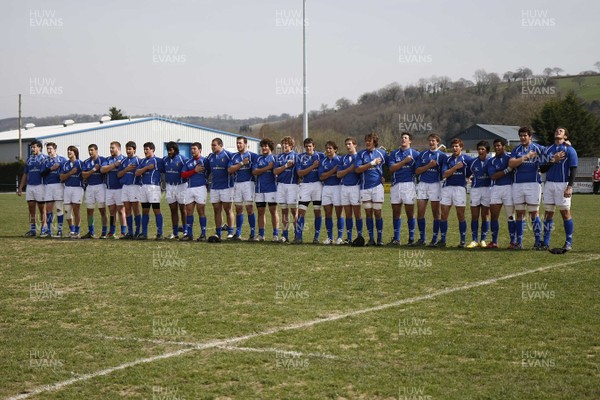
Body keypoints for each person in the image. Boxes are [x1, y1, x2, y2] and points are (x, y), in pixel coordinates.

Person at [540, 127, 578, 251]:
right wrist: (553, 160)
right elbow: (542, 169)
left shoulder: (570, 150)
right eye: (556, 130)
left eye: (561, 131)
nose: (558, 131)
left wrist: (570, 186)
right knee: (548, 213)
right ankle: (545, 242)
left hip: (563, 184)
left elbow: (573, 169)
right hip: (549, 184)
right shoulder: (548, 149)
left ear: (565, 136)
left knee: (565, 213)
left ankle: (568, 242)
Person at [509, 126, 544, 250]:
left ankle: (538, 241)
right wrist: (526, 157)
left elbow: (551, 154)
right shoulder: (516, 149)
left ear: (530, 137)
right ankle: (519, 242)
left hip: (533, 184)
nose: (523, 138)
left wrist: (566, 144)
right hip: (518, 184)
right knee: (519, 213)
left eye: (525, 135)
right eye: (521, 136)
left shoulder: (539, 148)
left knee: (534, 213)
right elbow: (511, 164)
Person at [414, 133, 447, 246]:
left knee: (436, 213)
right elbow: (417, 171)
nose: (431, 143)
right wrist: (429, 165)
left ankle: (434, 239)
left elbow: (443, 174)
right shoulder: (422, 154)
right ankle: (422, 238)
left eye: (433, 141)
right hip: (423, 184)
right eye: (430, 141)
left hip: (435, 185)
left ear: (437, 142)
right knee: (420, 212)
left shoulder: (442, 156)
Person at [439, 138, 474, 247]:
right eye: (453, 146)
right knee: (444, 214)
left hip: (460, 188)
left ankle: (462, 241)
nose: (454, 148)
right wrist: (455, 168)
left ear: (461, 147)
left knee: (460, 215)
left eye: (457, 146)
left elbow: (474, 169)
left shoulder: (467, 159)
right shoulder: (447, 160)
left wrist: (470, 176)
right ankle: (443, 240)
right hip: (447, 188)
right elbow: (444, 174)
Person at [354, 132, 387, 246]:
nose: (367, 142)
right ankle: (371, 239)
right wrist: (371, 163)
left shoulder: (382, 153)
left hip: (377, 187)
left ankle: (380, 239)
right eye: (366, 140)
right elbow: (358, 169)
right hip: (365, 187)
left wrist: (384, 177)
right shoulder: (361, 154)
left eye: (370, 140)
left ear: (375, 141)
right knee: (368, 213)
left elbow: (390, 166)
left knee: (378, 212)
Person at [388, 132, 420, 245]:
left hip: (409, 185)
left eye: (405, 138)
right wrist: (404, 162)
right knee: (396, 212)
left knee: (410, 212)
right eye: (402, 137)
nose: (403, 139)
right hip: (396, 185)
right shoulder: (394, 153)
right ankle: (396, 238)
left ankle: (411, 238)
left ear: (410, 141)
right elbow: (392, 168)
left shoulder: (415, 154)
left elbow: (417, 171)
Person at [486, 138, 516, 249]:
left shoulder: (510, 158)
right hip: (496, 189)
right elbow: (493, 176)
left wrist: (505, 170)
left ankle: (513, 242)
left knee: (510, 216)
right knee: (494, 216)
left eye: (499, 145)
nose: (497, 148)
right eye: (495, 146)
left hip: (509, 188)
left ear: (504, 146)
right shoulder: (491, 161)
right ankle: (494, 242)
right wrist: (508, 169)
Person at [294, 138, 325, 244]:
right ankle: (299, 237)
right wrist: (313, 166)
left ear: (314, 146)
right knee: (301, 212)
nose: (308, 148)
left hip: (318, 185)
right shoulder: (300, 157)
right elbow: (300, 173)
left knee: (317, 211)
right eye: (306, 146)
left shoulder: (321, 156)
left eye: (310, 146)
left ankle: (316, 238)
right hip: (305, 186)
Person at [227, 136, 258, 240]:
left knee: (249, 208)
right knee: (238, 208)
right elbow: (230, 169)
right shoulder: (233, 156)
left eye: (240, 143)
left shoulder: (253, 156)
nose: (238, 145)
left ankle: (253, 233)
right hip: (237, 184)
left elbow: (255, 170)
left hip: (248, 183)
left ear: (245, 144)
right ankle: (238, 233)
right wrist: (241, 163)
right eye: (237, 143)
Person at [206, 138, 234, 242]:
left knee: (228, 209)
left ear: (220, 145)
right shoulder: (210, 157)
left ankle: (230, 231)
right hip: (214, 187)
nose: (212, 147)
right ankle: (218, 232)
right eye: (211, 145)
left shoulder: (228, 155)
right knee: (216, 210)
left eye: (214, 145)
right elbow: (207, 170)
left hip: (226, 187)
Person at [18, 140, 48, 237]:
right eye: (32, 147)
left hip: (40, 186)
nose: (32, 149)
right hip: (30, 186)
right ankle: (33, 229)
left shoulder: (44, 158)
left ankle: (44, 228)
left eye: (34, 147)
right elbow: (25, 174)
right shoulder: (29, 159)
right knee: (31, 208)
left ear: (39, 148)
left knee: (42, 208)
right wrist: (20, 187)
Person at [252, 138, 279, 241]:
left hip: (272, 189)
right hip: (259, 189)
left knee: (273, 211)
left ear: (270, 147)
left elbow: (275, 172)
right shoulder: (258, 159)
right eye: (262, 146)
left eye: (266, 146)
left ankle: (275, 234)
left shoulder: (274, 158)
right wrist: (267, 168)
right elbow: (254, 172)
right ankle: (261, 234)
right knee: (260, 211)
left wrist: (262, 170)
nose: (264, 148)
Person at [135, 142, 164, 240]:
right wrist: (147, 168)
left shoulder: (158, 160)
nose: (145, 151)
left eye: (147, 149)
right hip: (143, 187)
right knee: (145, 210)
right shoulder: (142, 161)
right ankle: (144, 233)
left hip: (153, 187)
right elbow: (137, 173)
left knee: (156, 210)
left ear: (152, 150)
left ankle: (159, 233)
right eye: (144, 149)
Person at [337, 137, 363, 244]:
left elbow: (361, 171)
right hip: (344, 187)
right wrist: (349, 169)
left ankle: (360, 237)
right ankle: (349, 237)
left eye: (350, 144)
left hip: (355, 187)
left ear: (355, 145)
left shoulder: (359, 157)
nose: (348, 146)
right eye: (346, 144)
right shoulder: (343, 158)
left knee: (357, 214)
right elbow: (339, 174)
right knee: (348, 214)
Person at [180, 142, 208, 241]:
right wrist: (194, 171)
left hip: (201, 188)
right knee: (189, 211)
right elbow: (183, 175)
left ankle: (203, 234)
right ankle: (189, 234)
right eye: (191, 149)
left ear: (200, 150)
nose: (192, 151)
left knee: (201, 211)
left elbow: (210, 171)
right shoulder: (188, 162)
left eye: (194, 149)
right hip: (190, 188)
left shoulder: (205, 161)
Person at [274, 136, 299, 243]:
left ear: (291, 146)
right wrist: (286, 166)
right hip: (281, 186)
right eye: (283, 143)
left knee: (294, 211)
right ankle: (285, 235)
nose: (284, 145)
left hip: (292, 186)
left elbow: (299, 171)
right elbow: (275, 171)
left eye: (287, 144)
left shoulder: (297, 157)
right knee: (284, 211)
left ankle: (297, 234)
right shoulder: (279, 157)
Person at [466, 141, 491, 248]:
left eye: (483, 149)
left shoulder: (491, 161)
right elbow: (467, 174)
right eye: (479, 149)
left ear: (487, 150)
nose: (480, 151)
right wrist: (469, 178)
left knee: (485, 215)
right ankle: (474, 240)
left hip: (487, 189)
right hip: (475, 190)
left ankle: (483, 240)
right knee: (475, 216)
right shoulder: (472, 162)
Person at [100, 141, 127, 239]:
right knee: (111, 211)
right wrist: (115, 165)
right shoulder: (108, 159)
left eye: (113, 148)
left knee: (121, 210)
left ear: (118, 148)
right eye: (110, 148)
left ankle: (123, 232)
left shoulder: (124, 159)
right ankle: (111, 231)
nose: (111, 150)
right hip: (109, 189)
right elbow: (103, 169)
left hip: (120, 188)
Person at [319, 141, 344, 245]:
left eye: (330, 148)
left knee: (339, 214)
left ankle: (340, 237)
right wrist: (333, 171)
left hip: (338, 188)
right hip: (326, 188)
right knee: (328, 214)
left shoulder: (340, 160)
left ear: (335, 149)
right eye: (327, 148)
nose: (328, 150)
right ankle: (330, 238)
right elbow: (321, 176)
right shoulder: (323, 161)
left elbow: (339, 175)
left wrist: (328, 174)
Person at [81, 144, 107, 239]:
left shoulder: (102, 160)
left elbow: (103, 170)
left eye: (92, 150)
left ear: (96, 150)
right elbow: (84, 175)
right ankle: (91, 232)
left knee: (102, 210)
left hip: (100, 186)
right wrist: (93, 170)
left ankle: (104, 232)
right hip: (90, 187)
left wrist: (90, 172)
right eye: (89, 150)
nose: (90, 152)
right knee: (89, 211)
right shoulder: (86, 162)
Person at [163, 141, 188, 240]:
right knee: (173, 210)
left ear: (175, 150)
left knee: (183, 209)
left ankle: (186, 231)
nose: (169, 152)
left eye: (171, 150)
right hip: (170, 186)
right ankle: (175, 232)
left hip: (181, 186)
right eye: (168, 150)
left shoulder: (183, 159)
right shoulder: (165, 160)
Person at [117, 141, 142, 239]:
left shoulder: (138, 160)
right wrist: (126, 170)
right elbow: (118, 175)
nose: (128, 151)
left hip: (134, 186)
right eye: (127, 149)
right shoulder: (123, 161)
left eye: (130, 149)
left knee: (136, 209)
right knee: (127, 210)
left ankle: (137, 231)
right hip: (125, 187)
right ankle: (130, 232)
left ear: (134, 150)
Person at [42, 142, 67, 238]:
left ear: (55, 149)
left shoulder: (62, 159)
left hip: (59, 186)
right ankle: (49, 230)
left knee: (59, 208)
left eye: (50, 148)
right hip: (48, 186)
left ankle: (59, 230)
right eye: (47, 149)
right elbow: (42, 173)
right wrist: (51, 168)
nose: (49, 150)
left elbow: (66, 171)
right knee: (48, 209)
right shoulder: (45, 161)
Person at [59, 145, 84, 238]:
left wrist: (67, 175)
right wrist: (70, 173)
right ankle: (72, 230)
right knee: (67, 211)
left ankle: (77, 231)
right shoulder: (65, 164)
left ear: (75, 152)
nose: (69, 152)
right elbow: (61, 177)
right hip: (67, 188)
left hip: (77, 188)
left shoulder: (80, 163)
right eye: (68, 150)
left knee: (76, 210)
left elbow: (84, 175)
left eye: (71, 150)